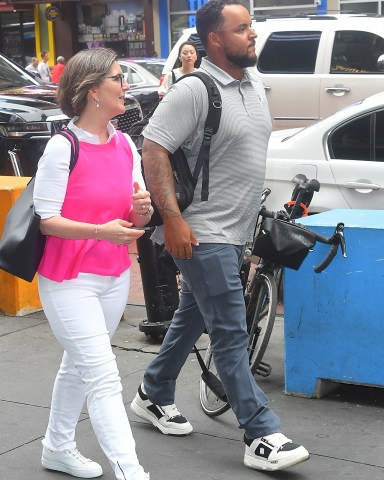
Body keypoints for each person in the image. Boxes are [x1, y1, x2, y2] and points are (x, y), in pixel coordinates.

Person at [130, 0, 310, 473]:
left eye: (251, 26)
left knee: (194, 317)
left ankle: (153, 390)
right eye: (242, 28)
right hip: (202, 231)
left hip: (235, 232)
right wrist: (172, 219)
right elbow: (154, 147)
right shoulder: (195, 89)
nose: (253, 35)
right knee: (231, 333)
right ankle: (261, 432)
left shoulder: (253, 83)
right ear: (214, 39)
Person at [33, 47, 153, 480]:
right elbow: (47, 221)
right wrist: (102, 230)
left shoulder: (124, 145)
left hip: (114, 275)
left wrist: (143, 210)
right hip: (69, 280)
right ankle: (130, 470)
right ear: (92, 92)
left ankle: (57, 448)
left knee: (79, 366)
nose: (126, 85)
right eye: (118, 78)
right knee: (102, 375)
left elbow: (139, 215)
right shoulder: (61, 148)